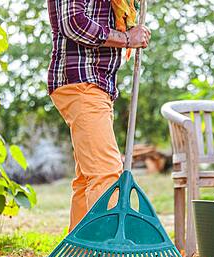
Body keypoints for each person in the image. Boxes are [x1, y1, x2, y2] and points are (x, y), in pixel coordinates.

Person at [47, 0, 151, 232]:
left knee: (87, 177)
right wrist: (126, 39)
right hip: (82, 81)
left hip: (96, 85)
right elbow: (73, 22)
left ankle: (81, 255)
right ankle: (107, 253)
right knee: (106, 172)